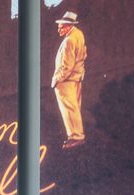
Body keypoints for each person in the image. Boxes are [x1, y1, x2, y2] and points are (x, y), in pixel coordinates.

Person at [52, 12, 87, 148]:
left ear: (68, 26)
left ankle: (75, 137)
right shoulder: (79, 34)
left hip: (66, 81)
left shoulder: (69, 41)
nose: (59, 30)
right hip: (76, 78)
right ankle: (77, 136)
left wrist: (57, 79)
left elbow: (67, 66)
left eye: (61, 27)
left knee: (69, 109)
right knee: (74, 108)